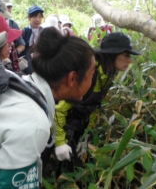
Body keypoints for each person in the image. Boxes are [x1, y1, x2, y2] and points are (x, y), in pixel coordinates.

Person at [0, 21, 96, 189]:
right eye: (91, 74)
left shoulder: (18, 83)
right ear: (72, 78)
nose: (92, 81)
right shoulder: (33, 123)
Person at [50, 32, 141, 173]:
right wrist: (60, 142)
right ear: (112, 54)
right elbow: (58, 110)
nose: (129, 60)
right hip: (55, 124)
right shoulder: (88, 72)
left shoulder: (108, 72)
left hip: (76, 122)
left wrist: (87, 131)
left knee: (74, 168)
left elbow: (92, 104)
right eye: (126, 55)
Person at [0, 0, 26, 72]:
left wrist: (13, 52)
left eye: (10, 7)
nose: (8, 9)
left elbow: (22, 44)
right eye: (6, 7)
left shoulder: (13, 24)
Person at [20, 5, 44, 75]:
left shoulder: (43, 31)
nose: (38, 20)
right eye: (35, 17)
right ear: (29, 18)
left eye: (40, 17)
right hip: (27, 55)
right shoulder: (24, 31)